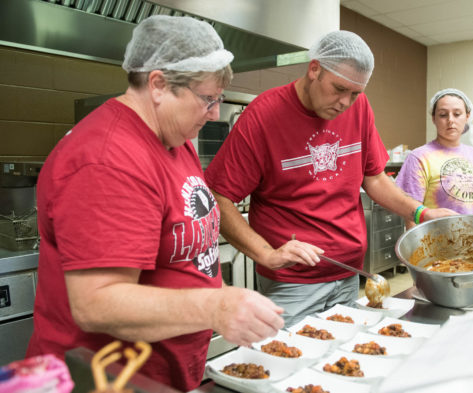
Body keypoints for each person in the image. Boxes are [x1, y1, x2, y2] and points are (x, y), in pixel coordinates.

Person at [26, 16, 284, 391]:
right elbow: (97, 304)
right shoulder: (106, 159)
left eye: (219, 100)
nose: (214, 113)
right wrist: (216, 307)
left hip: (160, 375)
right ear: (159, 84)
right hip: (105, 380)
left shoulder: (175, 140)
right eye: (207, 99)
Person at [204, 30, 456, 326]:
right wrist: (266, 254)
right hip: (292, 285)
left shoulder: (359, 107)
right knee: (291, 362)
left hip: (349, 275)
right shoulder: (263, 116)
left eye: (355, 93)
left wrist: (421, 212)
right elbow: (217, 196)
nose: (346, 102)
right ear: (314, 70)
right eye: (339, 89)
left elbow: (373, 178)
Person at [395, 88, 473, 229]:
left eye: (457, 114)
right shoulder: (419, 157)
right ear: (433, 119)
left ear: (467, 116)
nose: (450, 120)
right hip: (436, 243)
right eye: (443, 115)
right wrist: (415, 249)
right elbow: (409, 211)